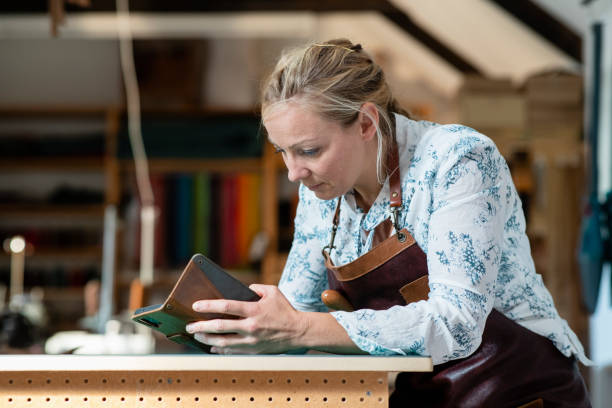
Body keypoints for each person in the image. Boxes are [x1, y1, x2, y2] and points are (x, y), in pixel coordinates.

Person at [186, 38, 591, 407]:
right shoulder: (321, 189)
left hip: (515, 391)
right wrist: (245, 331)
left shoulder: (458, 161)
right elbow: (297, 311)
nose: (294, 173)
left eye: (308, 150)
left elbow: (457, 326)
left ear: (366, 123)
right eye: (282, 152)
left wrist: (297, 329)